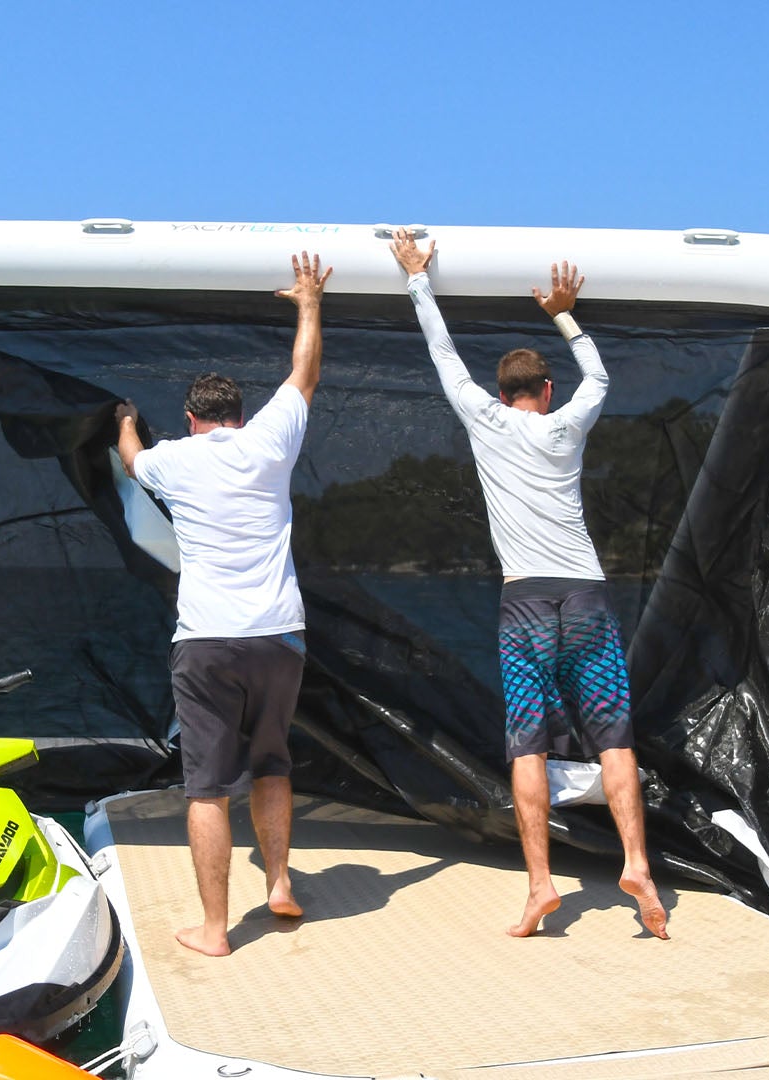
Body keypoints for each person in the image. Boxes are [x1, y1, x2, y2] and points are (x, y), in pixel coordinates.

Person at [389, 229, 668, 941]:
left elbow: (443, 355)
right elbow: (600, 380)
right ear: (546, 391)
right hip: (586, 597)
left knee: (528, 745)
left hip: (525, 603)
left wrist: (418, 277)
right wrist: (565, 314)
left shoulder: (481, 419)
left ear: (502, 391)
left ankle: (541, 885)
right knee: (614, 737)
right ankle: (637, 864)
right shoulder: (569, 424)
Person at [116, 251, 332, 957]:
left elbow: (131, 459)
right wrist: (307, 302)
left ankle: (215, 931)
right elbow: (304, 373)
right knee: (273, 764)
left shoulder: (172, 460)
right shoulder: (271, 441)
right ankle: (278, 884)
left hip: (207, 641)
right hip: (281, 638)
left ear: (189, 418)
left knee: (207, 790)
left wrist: (123, 420)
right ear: (241, 415)